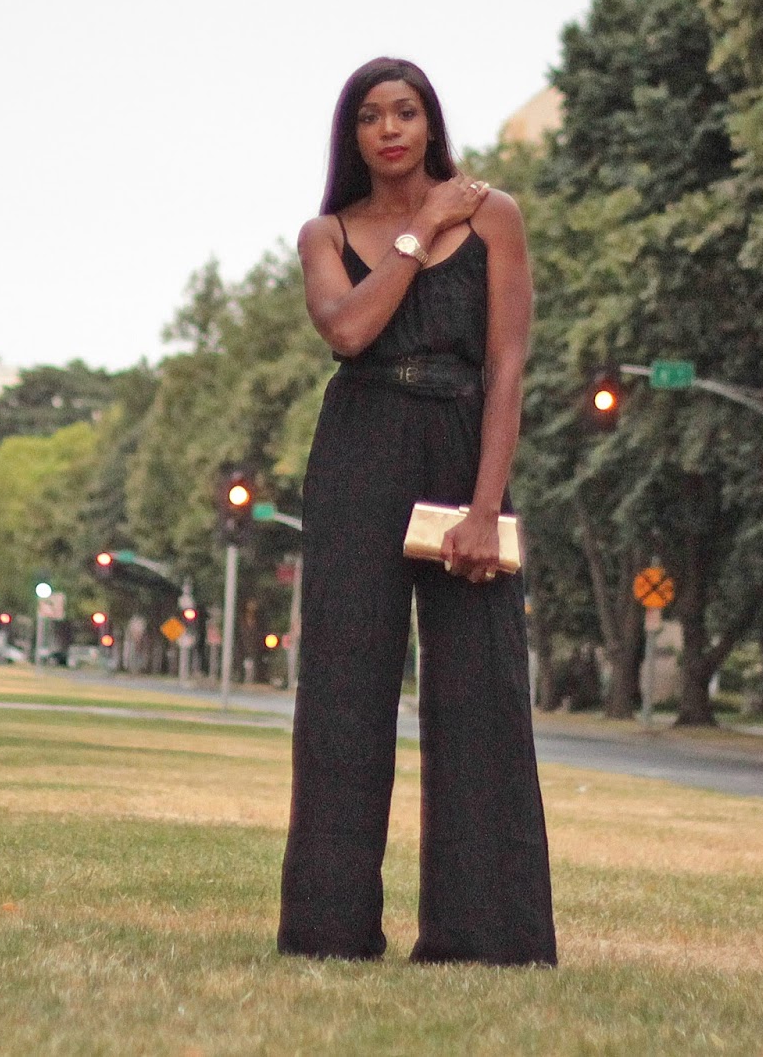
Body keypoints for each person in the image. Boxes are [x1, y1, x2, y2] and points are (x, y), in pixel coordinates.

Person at [277, 56, 556, 966]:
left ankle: (485, 933)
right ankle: (330, 930)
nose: (390, 129)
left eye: (405, 111)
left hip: (462, 444)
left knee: (482, 691)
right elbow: (349, 330)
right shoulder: (326, 233)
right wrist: (419, 229)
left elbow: (506, 366)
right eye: (371, 116)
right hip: (359, 451)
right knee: (344, 693)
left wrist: (484, 504)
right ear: (352, 136)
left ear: (431, 121)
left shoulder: (495, 216)